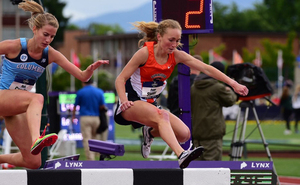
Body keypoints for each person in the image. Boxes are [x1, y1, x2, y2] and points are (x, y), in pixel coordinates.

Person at [114, 19, 248, 169]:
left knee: (184, 134)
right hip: (131, 104)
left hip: (151, 105)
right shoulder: (144, 53)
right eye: (171, 40)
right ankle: (181, 154)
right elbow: (120, 79)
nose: (174, 44)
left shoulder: (176, 55)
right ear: (159, 37)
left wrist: (234, 83)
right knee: (163, 115)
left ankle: (150, 133)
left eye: (177, 41)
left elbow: (207, 69)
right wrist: (124, 100)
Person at [0, 0, 108, 169]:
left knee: (34, 162)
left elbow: (81, 76)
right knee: (37, 98)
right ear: (34, 29)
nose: (48, 40)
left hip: (15, 108)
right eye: (45, 34)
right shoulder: (14, 46)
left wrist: (90, 70)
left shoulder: (50, 54)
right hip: (2, 97)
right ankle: (37, 139)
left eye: (52, 36)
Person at [191, 61, 237, 161]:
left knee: (196, 169)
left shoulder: (194, 87)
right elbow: (230, 101)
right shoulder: (217, 88)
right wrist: (230, 90)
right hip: (212, 133)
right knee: (213, 169)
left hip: (196, 132)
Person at [72, 79, 106, 160]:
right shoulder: (99, 91)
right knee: (95, 138)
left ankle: (91, 159)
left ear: (83, 82)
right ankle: (97, 156)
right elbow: (102, 106)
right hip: (96, 118)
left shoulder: (81, 92)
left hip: (85, 117)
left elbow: (75, 106)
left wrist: (73, 116)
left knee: (87, 139)